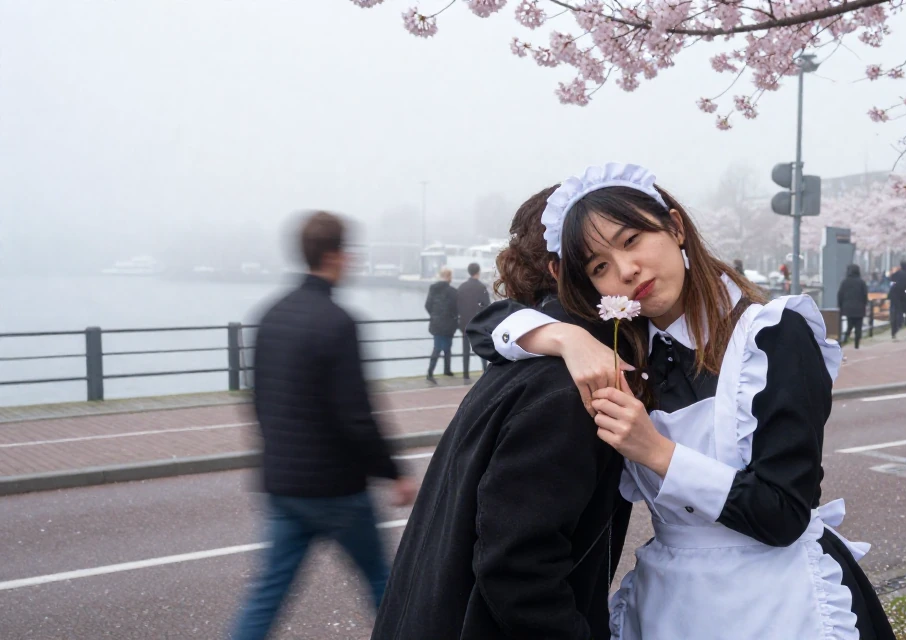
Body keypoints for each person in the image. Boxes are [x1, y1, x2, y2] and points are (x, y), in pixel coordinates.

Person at [470, 163, 894, 639]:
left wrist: (655, 451)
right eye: (599, 267)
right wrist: (565, 337)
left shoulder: (772, 335)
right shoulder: (626, 348)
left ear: (675, 226)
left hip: (778, 602)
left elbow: (783, 515)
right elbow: (487, 327)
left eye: (631, 240)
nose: (627, 271)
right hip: (670, 605)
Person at [371, 189, 634, 640]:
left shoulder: (530, 359)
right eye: (601, 258)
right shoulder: (571, 387)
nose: (631, 267)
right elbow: (517, 567)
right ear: (561, 267)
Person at [232, 211, 417, 640]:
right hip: (336, 488)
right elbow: (356, 415)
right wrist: (394, 472)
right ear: (336, 255)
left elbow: (258, 399)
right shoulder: (337, 322)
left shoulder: (270, 316)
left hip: (283, 484)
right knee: (382, 584)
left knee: (266, 596)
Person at [455, 262, 491, 381]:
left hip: (465, 322)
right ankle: (485, 372)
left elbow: (457, 305)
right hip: (479, 323)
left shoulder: (462, 287)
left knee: (465, 350)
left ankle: (466, 374)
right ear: (478, 272)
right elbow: (487, 306)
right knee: (482, 348)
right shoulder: (481, 287)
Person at [424, 267, 458, 384]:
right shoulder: (453, 291)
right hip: (449, 323)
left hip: (436, 323)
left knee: (437, 347)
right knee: (447, 347)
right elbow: (456, 309)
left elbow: (427, 305)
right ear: (449, 277)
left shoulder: (433, 289)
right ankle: (445, 370)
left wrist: (434, 315)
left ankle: (431, 372)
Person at [837, 264, 869, 351]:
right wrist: (864, 304)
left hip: (848, 308)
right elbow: (865, 295)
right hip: (859, 308)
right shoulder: (861, 282)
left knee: (849, 326)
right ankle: (856, 345)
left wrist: (840, 306)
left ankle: (843, 342)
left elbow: (840, 295)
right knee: (858, 327)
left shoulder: (845, 282)